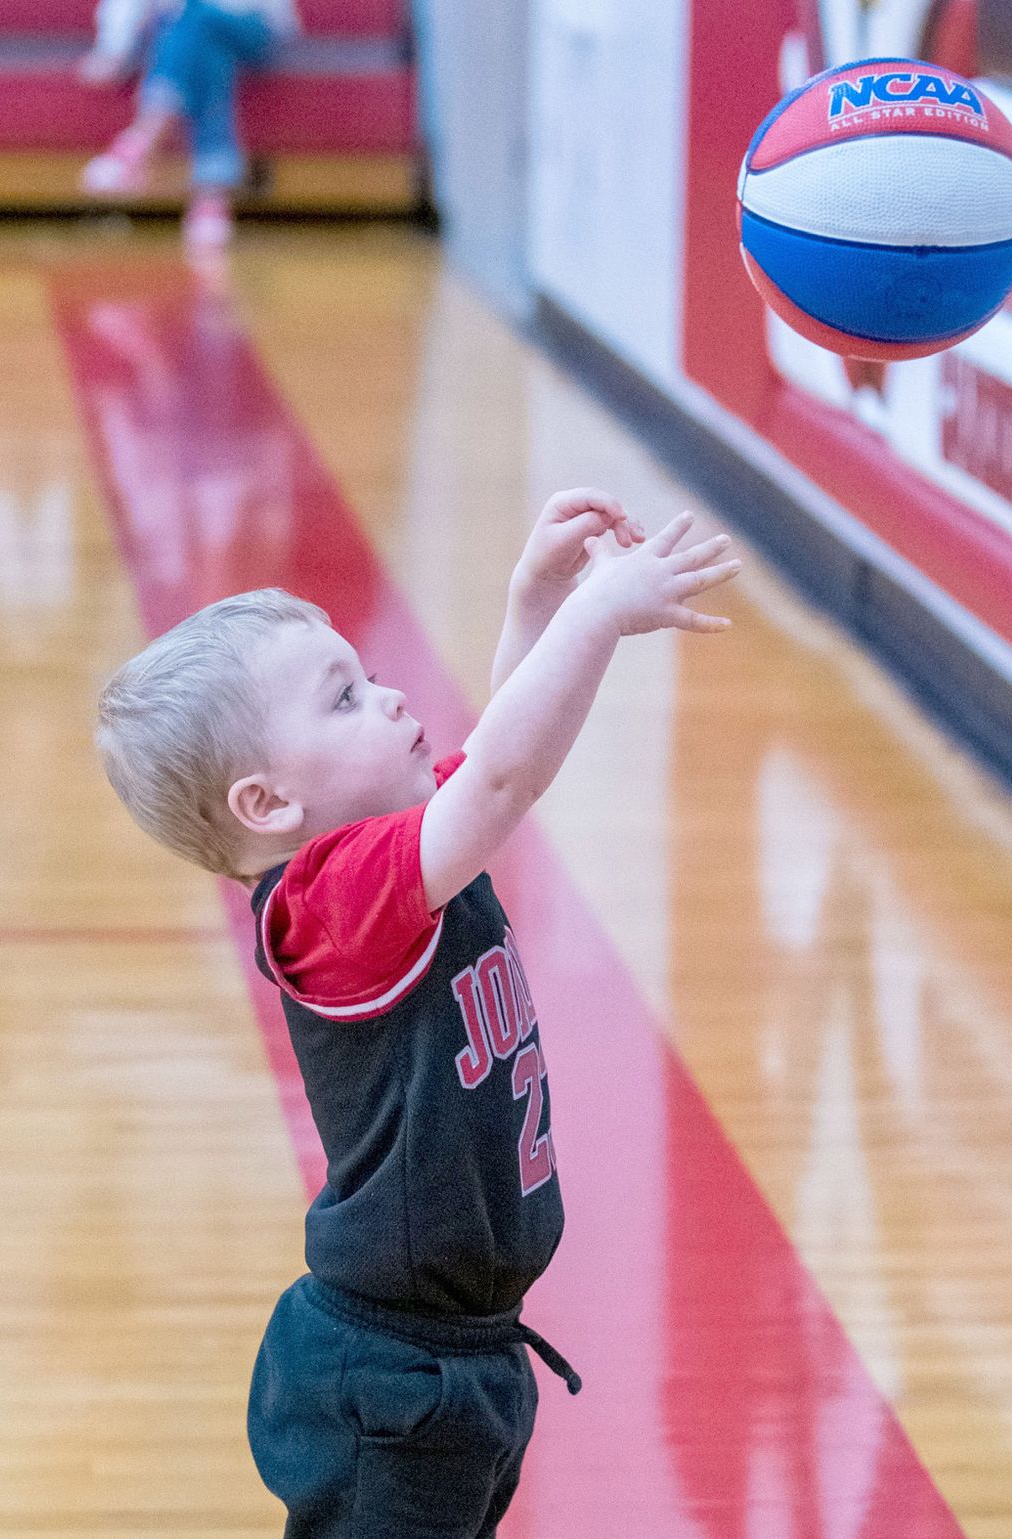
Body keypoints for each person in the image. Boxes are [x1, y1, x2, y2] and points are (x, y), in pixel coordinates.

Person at [95, 490, 741, 1536]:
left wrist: (537, 602)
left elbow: (499, 754)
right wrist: (596, 616)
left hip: (458, 1356)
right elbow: (499, 780)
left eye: (373, 679)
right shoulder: (330, 903)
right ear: (266, 807)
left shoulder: (395, 857)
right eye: (345, 699)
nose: (391, 698)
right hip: (391, 1381)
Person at [78, 0, 300, 248]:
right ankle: (211, 193)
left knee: (198, 19)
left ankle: (141, 142)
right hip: (191, 39)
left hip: (253, 29)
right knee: (207, 50)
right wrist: (113, 50)